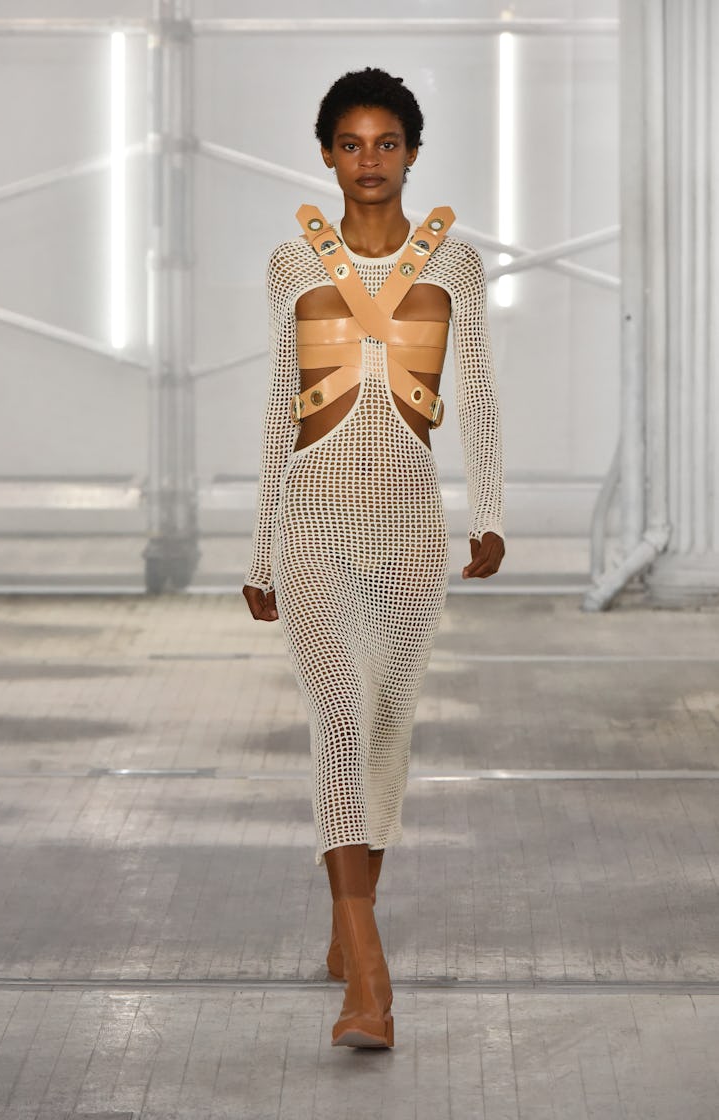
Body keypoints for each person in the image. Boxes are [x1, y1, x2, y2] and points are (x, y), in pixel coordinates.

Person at [242, 66, 505, 1050]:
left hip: (409, 536)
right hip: (312, 528)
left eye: (385, 144)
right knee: (340, 724)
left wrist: (489, 514)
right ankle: (371, 975)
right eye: (349, 145)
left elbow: (474, 393)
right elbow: (278, 409)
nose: (368, 162)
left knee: (386, 728)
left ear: (411, 154)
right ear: (323, 155)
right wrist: (260, 553)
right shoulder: (290, 264)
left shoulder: (458, 265)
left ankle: (340, 926)